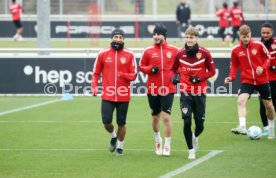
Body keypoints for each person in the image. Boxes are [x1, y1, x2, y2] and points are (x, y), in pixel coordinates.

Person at [171, 27, 216, 159]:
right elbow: (172, 70)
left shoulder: (205, 53)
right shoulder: (179, 53)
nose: (189, 40)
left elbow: (212, 71)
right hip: (185, 93)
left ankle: (195, 137)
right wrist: (174, 78)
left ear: (196, 38)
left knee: (200, 124)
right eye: (187, 37)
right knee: (186, 121)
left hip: (200, 93)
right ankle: (190, 150)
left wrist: (200, 78)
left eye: (191, 37)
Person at [91, 28, 137, 156]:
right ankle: (113, 135)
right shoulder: (103, 53)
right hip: (108, 94)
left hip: (123, 95)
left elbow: (134, 75)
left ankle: (120, 147)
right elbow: (96, 73)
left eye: (121, 38)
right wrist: (94, 86)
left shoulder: (130, 54)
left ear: (124, 40)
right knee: (106, 121)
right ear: (112, 38)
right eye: (116, 37)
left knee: (121, 123)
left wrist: (123, 75)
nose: (118, 39)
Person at [224, 25, 275, 139]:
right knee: (241, 100)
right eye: (243, 37)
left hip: (262, 80)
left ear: (250, 34)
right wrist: (231, 77)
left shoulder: (259, 45)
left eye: (247, 36)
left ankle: (271, 128)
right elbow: (234, 65)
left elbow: (268, 58)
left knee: (269, 106)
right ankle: (242, 126)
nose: (245, 39)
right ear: (239, 36)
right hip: (247, 80)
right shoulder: (236, 50)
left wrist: (262, 68)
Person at [139, 23, 179, 156]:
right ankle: (158, 140)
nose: (156, 36)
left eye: (158, 34)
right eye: (154, 34)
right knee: (155, 117)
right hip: (152, 89)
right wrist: (150, 69)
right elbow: (141, 66)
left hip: (168, 88)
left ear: (164, 36)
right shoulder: (148, 51)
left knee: (166, 117)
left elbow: (180, 67)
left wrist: (176, 76)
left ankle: (167, 145)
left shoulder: (174, 50)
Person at [259, 23, 276, 136]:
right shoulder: (258, 45)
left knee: (274, 103)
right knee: (263, 103)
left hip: (275, 79)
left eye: (267, 33)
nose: (265, 35)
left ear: (272, 32)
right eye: (263, 33)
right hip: (263, 79)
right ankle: (266, 128)